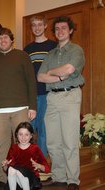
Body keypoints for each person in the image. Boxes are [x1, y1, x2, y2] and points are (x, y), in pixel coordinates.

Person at [37, 16, 85, 190]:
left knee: (69, 141)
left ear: (70, 30)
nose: (60, 31)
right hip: (52, 98)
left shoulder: (76, 50)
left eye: (64, 28)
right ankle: (59, 176)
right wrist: (57, 74)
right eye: (57, 29)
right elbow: (40, 76)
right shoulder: (50, 53)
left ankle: (73, 180)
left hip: (69, 96)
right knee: (53, 141)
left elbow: (70, 69)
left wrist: (51, 73)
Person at [0, 27, 37, 184]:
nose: (3, 40)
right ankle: (2, 178)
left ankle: (24, 177)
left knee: (23, 145)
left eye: (5, 37)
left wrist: (32, 106)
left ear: (11, 39)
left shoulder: (22, 56)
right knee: (2, 146)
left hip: (20, 108)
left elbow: (31, 81)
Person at [23, 15, 57, 157]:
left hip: (47, 93)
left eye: (39, 24)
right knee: (30, 129)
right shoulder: (27, 49)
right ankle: (29, 160)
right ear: (31, 28)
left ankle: (41, 160)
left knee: (44, 129)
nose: (36, 28)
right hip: (31, 95)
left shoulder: (53, 46)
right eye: (34, 25)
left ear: (45, 26)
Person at [2, 122, 50, 190]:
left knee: (18, 171)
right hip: (16, 181)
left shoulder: (35, 148)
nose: (23, 137)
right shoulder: (13, 148)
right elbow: (7, 170)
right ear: (17, 135)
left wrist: (39, 166)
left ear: (31, 136)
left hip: (31, 180)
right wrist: (5, 165)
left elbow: (47, 169)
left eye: (26, 134)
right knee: (12, 169)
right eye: (20, 134)